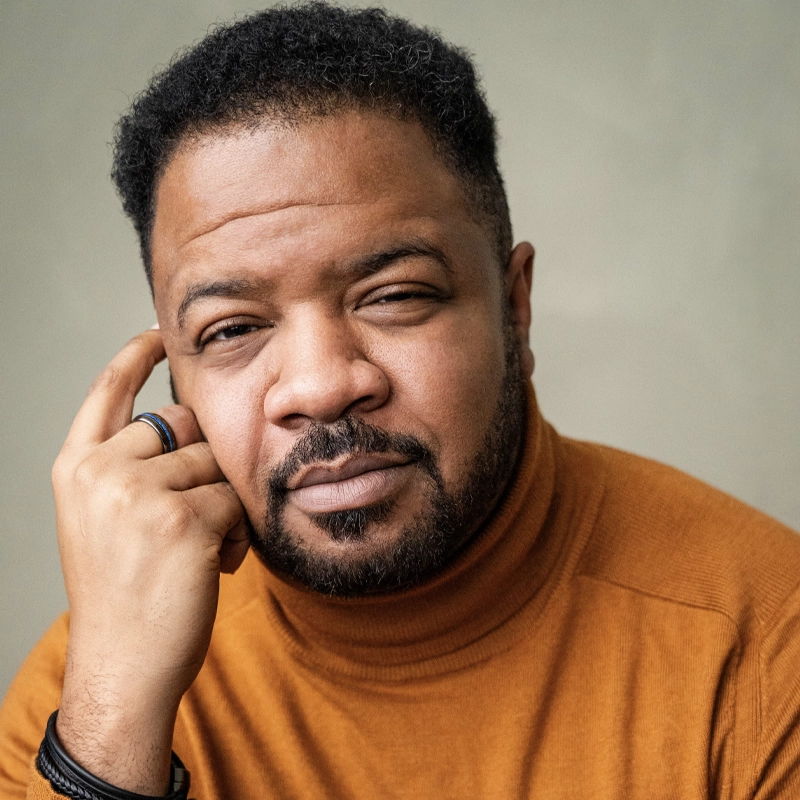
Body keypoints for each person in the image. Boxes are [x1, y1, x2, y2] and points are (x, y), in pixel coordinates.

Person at [2, 3, 799, 798]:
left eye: (394, 296)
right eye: (232, 328)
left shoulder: (766, 643)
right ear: (173, 377)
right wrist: (111, 730)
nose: (320, 386)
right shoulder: (95, 687)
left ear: (513, 310)